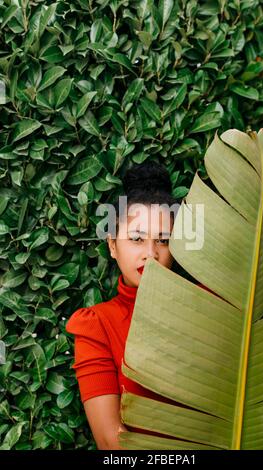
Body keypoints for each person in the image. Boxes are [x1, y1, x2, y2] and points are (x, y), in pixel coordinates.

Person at [65, 160, 182, 450]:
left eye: (163, 241)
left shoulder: (212, 309)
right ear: (113, 245)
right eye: (137, 239)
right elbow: (110, 441)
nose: (150, 254)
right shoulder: (97, 325)